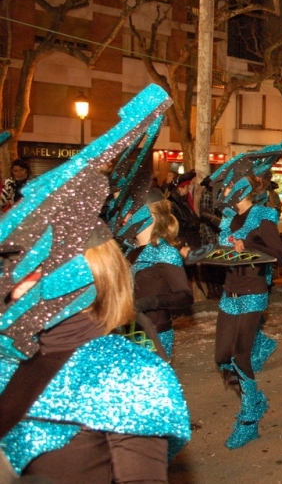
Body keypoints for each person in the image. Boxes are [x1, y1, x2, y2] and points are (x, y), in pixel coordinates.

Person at [0, 84, 190, 482]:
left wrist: (149, 312)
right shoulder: (11, 355)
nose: (9, 282)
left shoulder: (128, 374)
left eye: (25, 269)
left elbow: (182, 297)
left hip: (142, 334)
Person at [208, 144, 282, 449]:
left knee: (240, 356)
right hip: (230, 293)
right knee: (221, 358)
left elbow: (278, 257)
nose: (225, 189)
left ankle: (249, 420)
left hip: (253, 292)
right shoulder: (228, 220)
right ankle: (254, 399)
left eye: (229, 184)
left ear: (243, 186)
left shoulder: (263, 218)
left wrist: (249, 250)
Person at [129, 193, 194, 359]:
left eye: (132, 210)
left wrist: (150, 302)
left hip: (154, 335)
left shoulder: (165, 252)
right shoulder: (128, 250)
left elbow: (185, 296)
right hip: (127, 332)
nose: (127, 216)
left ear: (148, 215)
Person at [168, 170, 202, 250]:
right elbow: (176, 224)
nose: (189, 187)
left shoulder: (184, 201)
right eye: (187, 186)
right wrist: (192, 224)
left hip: (191, 239)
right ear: (180, 188)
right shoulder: (171, 203)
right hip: (183, 242)